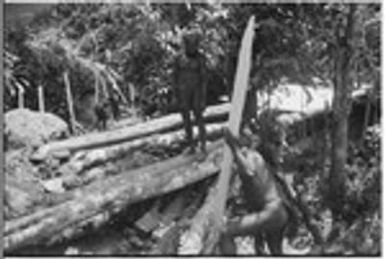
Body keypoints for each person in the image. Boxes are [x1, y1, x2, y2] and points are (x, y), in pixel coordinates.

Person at [219, 128, 289, 255]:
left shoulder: (251, 155)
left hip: (271, 212)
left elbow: (249, 172)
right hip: (277, 213)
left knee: (226, 232)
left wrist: (233, 147)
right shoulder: (253, 155)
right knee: (276, 252)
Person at [173, 28, 208, 155]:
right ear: (185, 44)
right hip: (183, 92)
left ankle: (203, 145)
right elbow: (175, 77)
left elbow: (204, 79)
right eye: (189, 43)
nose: (192, 46)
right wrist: (176, 95)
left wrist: (203, 98)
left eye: (194, 43)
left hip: (197, 91)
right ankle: (191, 145)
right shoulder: (178, 58)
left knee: (199, 117)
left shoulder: (201, 58)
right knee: (186, 119)